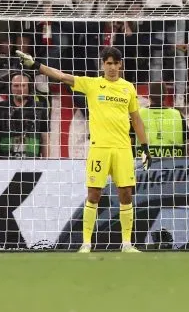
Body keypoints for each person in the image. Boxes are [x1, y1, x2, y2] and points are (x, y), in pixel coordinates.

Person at [16, 46, 151, 253]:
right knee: (94, 194)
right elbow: (62, 76)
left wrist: (145, 147)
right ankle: (86, 243)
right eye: (108, 63)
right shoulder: (93, 84)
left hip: (123, 148)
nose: (112, 67)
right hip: (99, 149)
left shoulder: (128, 88)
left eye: (116, 63)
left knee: (126, 194)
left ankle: (126, 244)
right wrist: (36, 65)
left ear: (120, 64)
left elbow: (136, 119)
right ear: (102, 65)